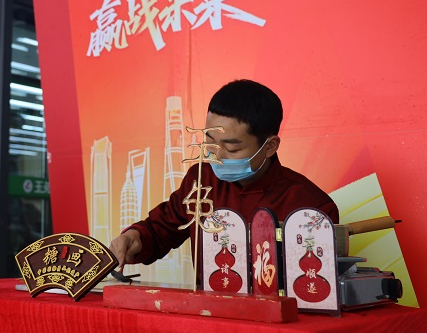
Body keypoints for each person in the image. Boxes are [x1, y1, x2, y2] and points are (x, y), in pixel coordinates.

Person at [109, 79, 339, 276]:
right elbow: (161, 230)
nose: (216, 156)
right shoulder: (200, 180)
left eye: (231, 148)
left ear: (270, 146)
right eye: (210, 143)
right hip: (209, 311)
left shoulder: (310, 206)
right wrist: (135, 237)